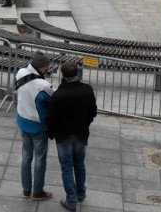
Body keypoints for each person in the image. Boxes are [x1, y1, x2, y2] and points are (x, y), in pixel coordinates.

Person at [46, 61, 98, 212]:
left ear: (62, 74)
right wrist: (85, 124)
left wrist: (51, 133)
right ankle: (80, 193)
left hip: (63, 136)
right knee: (79, 164)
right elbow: (93, 111)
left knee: (67, 167)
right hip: (81, 133)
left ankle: (71, 201)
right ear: (77, 73)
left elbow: (51, 117)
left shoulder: (59, 95)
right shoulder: (87, 89)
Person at [15, 51, 54, 201]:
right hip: (38, 127)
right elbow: (53, 101)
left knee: (26, 157)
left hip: (23, 122)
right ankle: (37, 191)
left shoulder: (20, 73)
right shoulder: (43, 85)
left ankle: (26, 190)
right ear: (43, 67)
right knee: (39, 159)